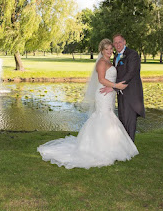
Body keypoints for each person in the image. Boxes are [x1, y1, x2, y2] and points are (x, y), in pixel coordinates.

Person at [37, 39, 139, 169]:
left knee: (108, 116)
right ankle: (100, 148)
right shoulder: (102, 62)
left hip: (109, 93)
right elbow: (101, 79)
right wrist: (115, 85)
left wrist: (113, 88)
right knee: (104, 116)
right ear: (101, 50)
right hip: (103, 94)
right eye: (106, 49)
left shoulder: (109, 61)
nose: (109, 51)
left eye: (110, 49)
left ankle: (111, 145)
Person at [100, 34, 145, 142]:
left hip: (131, 94)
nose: (117, 44)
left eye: (119, 42)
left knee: (130, 123)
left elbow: (130, 74)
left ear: (124, 42)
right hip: (121, 95)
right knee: (123, 122)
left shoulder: (132, 54)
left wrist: (114, 88)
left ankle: (130, 148)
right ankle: (125, 147)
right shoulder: (116, 57)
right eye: (115, 42)